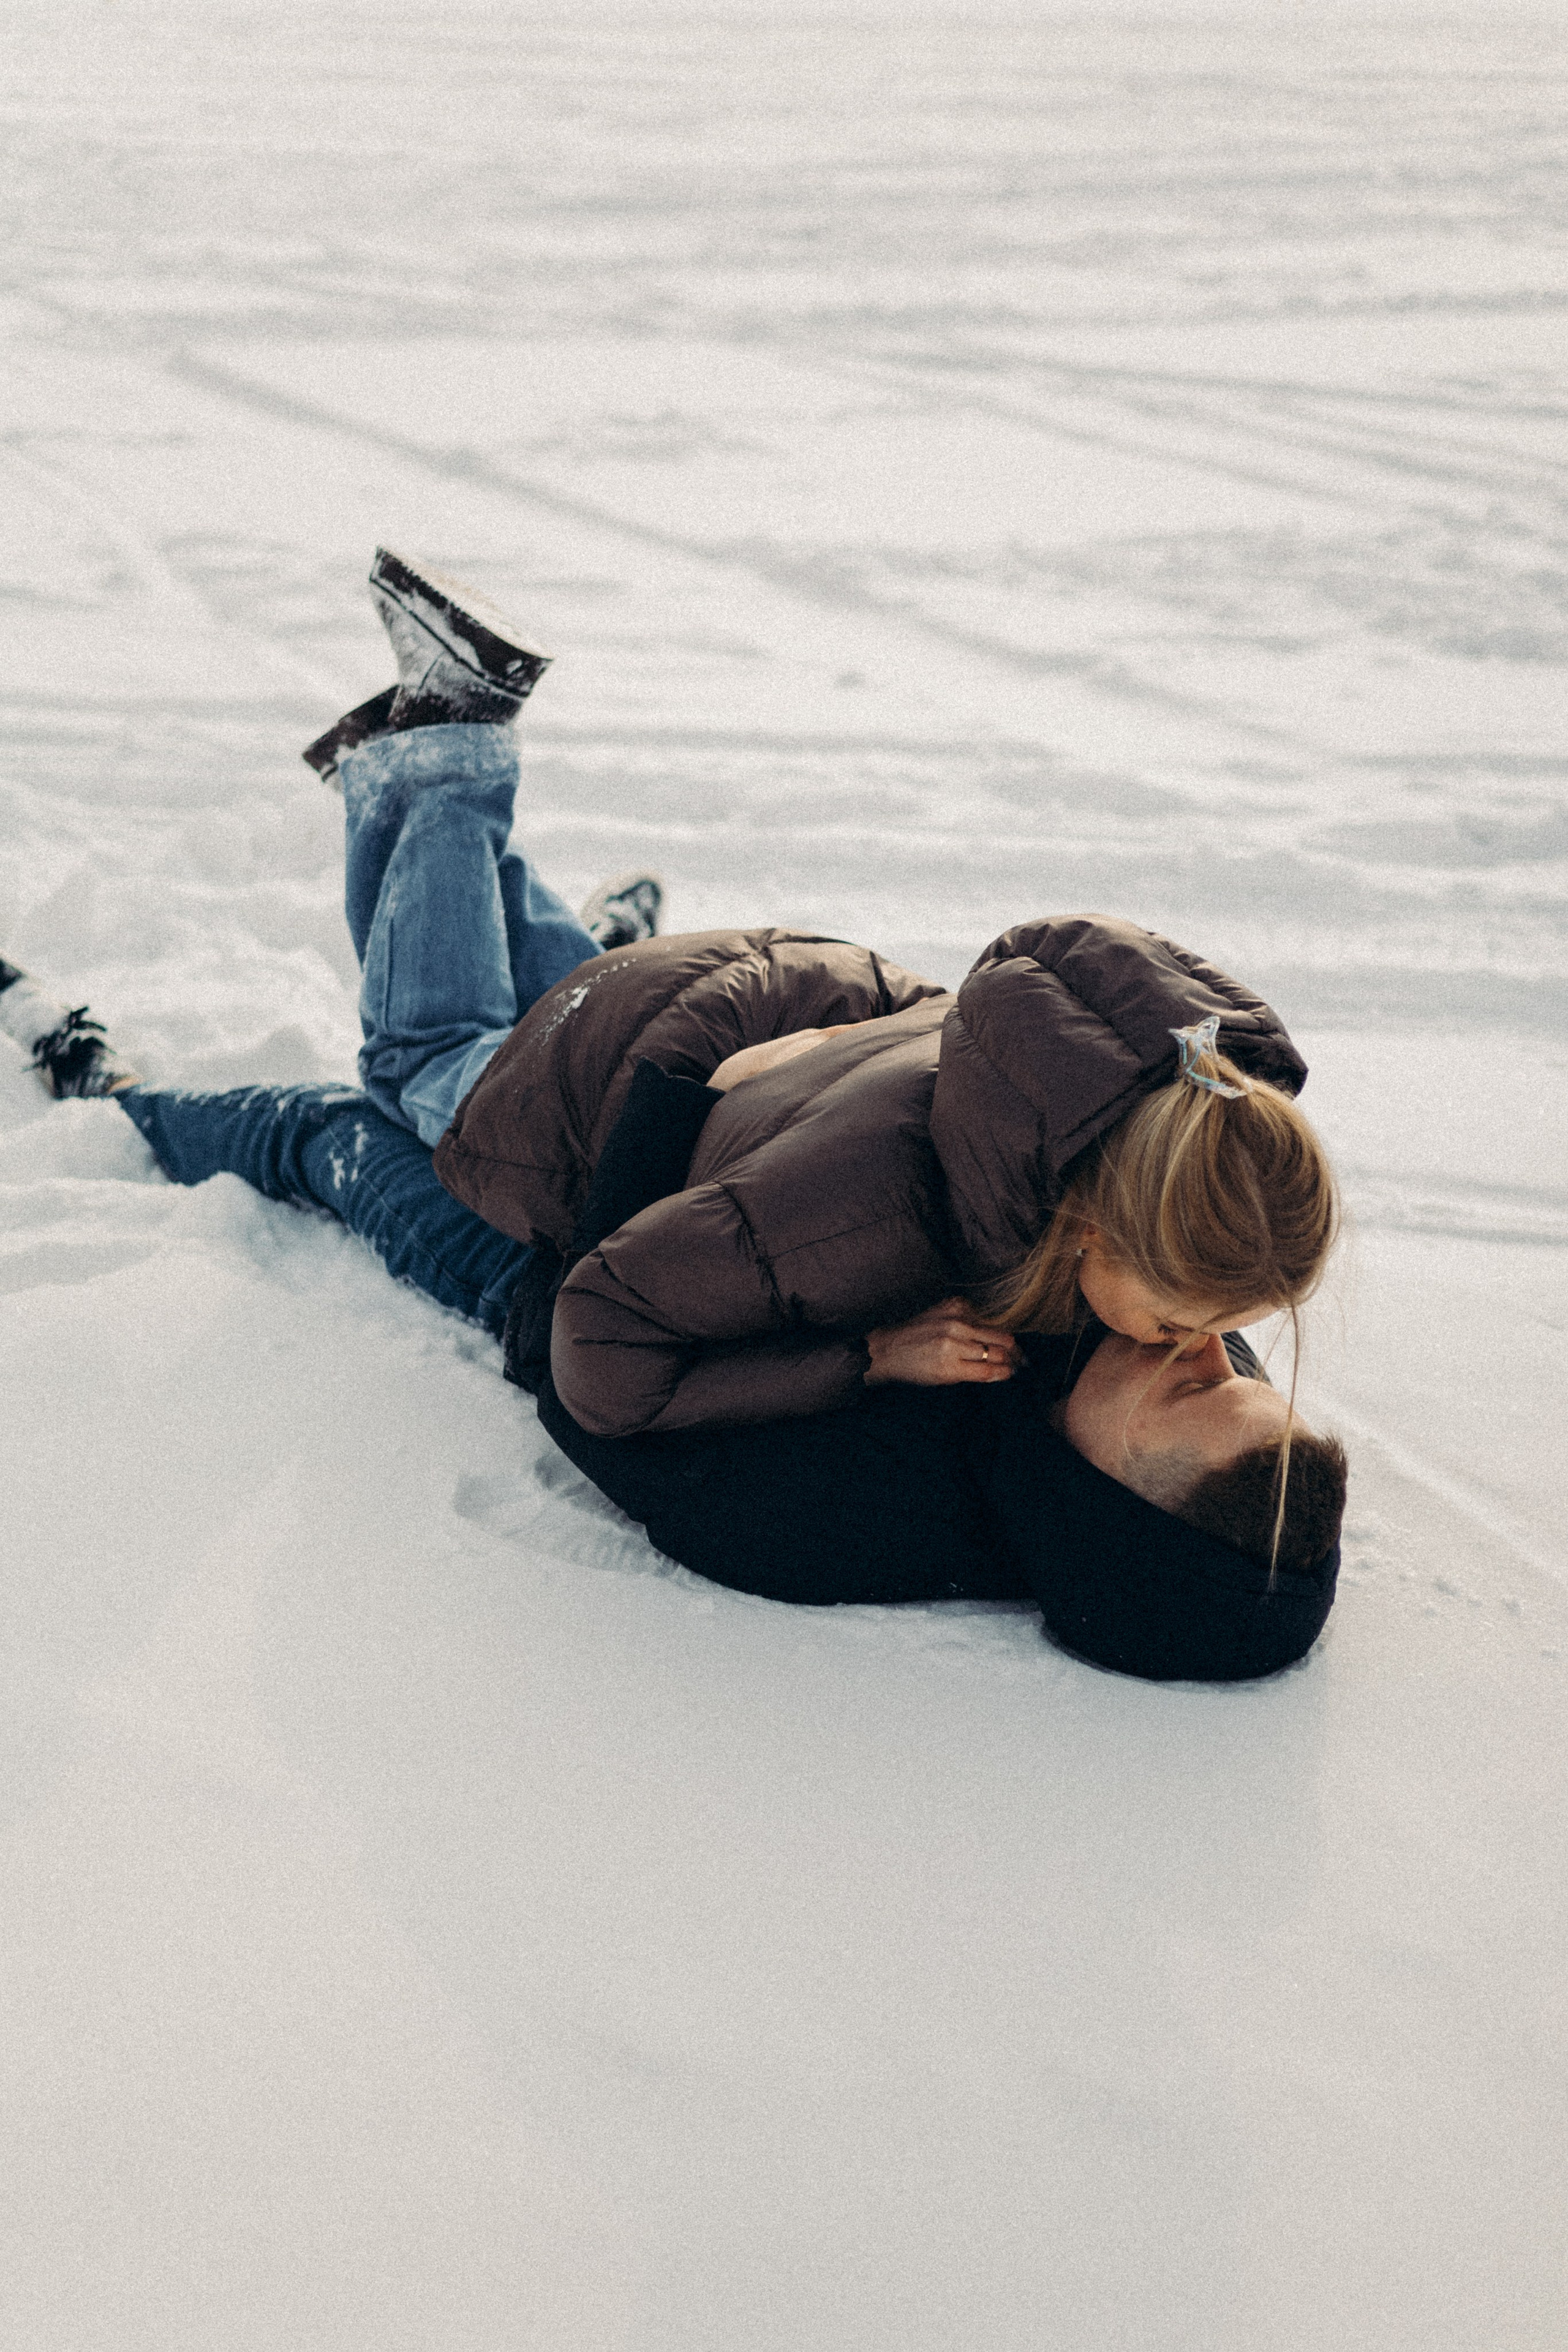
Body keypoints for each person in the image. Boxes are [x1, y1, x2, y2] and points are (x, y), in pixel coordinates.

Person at [0, 549, 1348, 1676]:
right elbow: (612, 1337)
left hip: (732, 1019)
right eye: (1204, 1338)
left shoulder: (1097, 1151)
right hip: (648, 1100)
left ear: (1105, 1502)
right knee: (419, 1065)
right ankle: (445, 754)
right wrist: (861, 1342)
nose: (1214, 1351)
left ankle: (455, 855)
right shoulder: (954, 1242)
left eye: (1204, 1370)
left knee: (509, 1037)